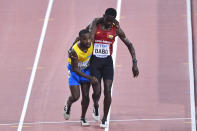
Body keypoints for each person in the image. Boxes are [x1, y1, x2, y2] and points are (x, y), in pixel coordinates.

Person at [86, 8, 139, 128]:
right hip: (94, 61)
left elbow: (129, 44)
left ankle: (104, 118)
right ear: (103, 16)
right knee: (97, 91)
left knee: (108, 90)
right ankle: (95, 105)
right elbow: (86, 34)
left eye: (112, 21)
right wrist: (94, 22)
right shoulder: (95, 25)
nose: (109, 23)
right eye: (107, 20)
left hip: (107, 63)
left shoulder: (116, 30)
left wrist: (134, 62)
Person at [64, 29, 98, 126]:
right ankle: (68, 104)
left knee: (86, 96)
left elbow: (93, 23)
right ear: (80, 40)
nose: (88, 41)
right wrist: (90, 78)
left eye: (89, 39)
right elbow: (75, 69)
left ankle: (83, 118)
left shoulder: (90, 44)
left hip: (86, 70)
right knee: (76, 97)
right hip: (74, 72)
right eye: (84, 39)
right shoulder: (74, 51)